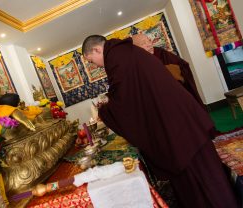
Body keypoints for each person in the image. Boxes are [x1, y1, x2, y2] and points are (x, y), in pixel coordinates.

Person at [82, 35, 238, 207]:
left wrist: (104, 111)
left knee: (202, 180)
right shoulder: (123, 52)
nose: (95, 65)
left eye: (91, 61)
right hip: (182, 121)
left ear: (97, 49)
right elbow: (132, 93)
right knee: (209, 172)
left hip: (177, 130)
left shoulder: (116, 58)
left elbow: (124, 103)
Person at [132, 33, 205, 107]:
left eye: (149, 40)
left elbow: (182, 65)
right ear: (135, 49)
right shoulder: (135, 65)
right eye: (143, 43)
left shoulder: (160, 53)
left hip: (177, 94)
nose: (149, 44)